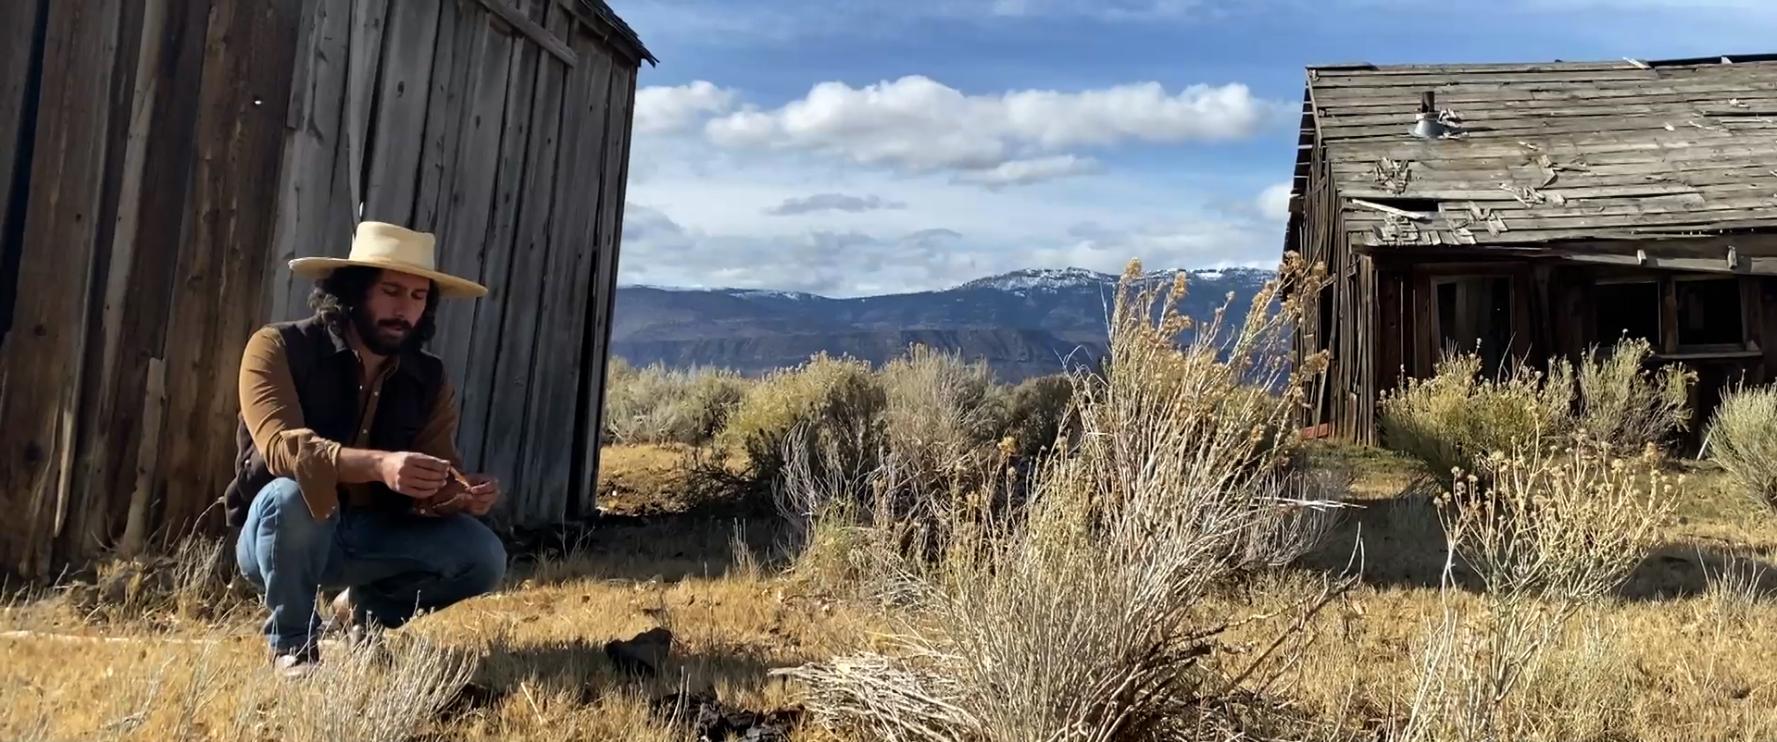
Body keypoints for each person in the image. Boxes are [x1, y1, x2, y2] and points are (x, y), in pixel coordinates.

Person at [224, 221, 507, 676]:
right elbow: (282, 449)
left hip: (372, 535)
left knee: (484, 557)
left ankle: (362, 615)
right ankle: (294, 644)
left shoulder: (429, 379)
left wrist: (458, 493)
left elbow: (436, 475)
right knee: (291, 495)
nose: (405, 310)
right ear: (352, 292)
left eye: (418, 298)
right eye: (391, 291)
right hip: (279, 535)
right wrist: (379, 465)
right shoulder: (277, 347)